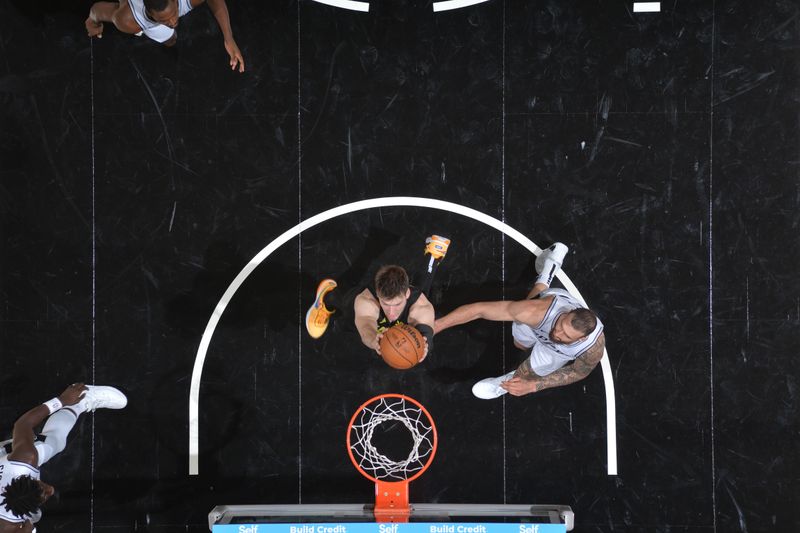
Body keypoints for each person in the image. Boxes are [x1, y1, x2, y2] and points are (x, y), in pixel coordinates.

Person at [434, 243, 606, 399]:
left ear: (581, 340)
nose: (557, 333)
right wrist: (436, 326)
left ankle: (507, 382)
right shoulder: (536, 312)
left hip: (556, 352)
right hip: (540, 315)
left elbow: (578, 372)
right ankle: (549, 268)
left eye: (566, 335)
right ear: (568, 312)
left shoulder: (591, 349)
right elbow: (479, 310)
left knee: (529, 374)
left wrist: (533, 386)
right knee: (520, 342)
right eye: (561, 324)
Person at [0, 383, 127, 532]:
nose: (51, 490)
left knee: (53, 442)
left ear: (27, 478)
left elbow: (23, 424)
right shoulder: (10, 529)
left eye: (43, 489)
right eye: (45, 496)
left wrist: (61, 400)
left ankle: (81, 401)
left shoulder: (24, 460)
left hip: (6, 456)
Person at [305, 235, 451, 362]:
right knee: (344, 307)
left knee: (422, 292)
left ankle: (433, 256)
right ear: (378, 294)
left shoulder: (421, 307)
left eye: (397, 304)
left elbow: (426, 334)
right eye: (386, 304)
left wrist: (424, 345)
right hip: (359, 307)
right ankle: (325, 301)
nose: (391, 313)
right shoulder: (366, 301)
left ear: (407, 293)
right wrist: (373, 340)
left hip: (412, 302)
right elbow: (365, 326)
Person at [85, 0, 245, 72]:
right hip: (137, 18)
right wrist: (92, 21)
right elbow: (99, 10)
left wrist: (228, 37)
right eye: (164, 19)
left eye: (174, 14)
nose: (173, 21)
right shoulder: (128, 20)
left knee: (171, 37)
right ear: (149, 13)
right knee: (170, 39)